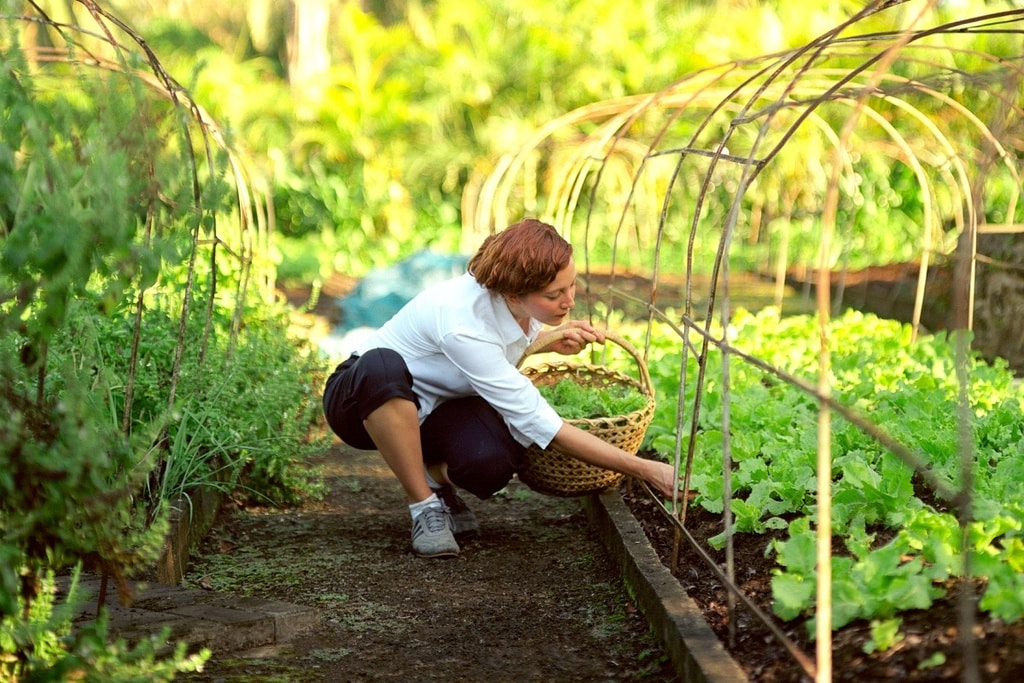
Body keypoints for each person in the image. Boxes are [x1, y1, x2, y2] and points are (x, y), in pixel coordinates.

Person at [322, 218, 679, 558]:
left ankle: (430, 477)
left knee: (492, 461)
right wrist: (645, 469)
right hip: (362, 403)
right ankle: (424, 506)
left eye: (572, 285)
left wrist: (546, 339)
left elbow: (496, 346)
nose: (569, 301)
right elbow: (546, 427)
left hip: (433, 408)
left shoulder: (510, 299)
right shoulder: (462, 321)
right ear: (512, 294)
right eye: (554, 295)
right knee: (382, 364)